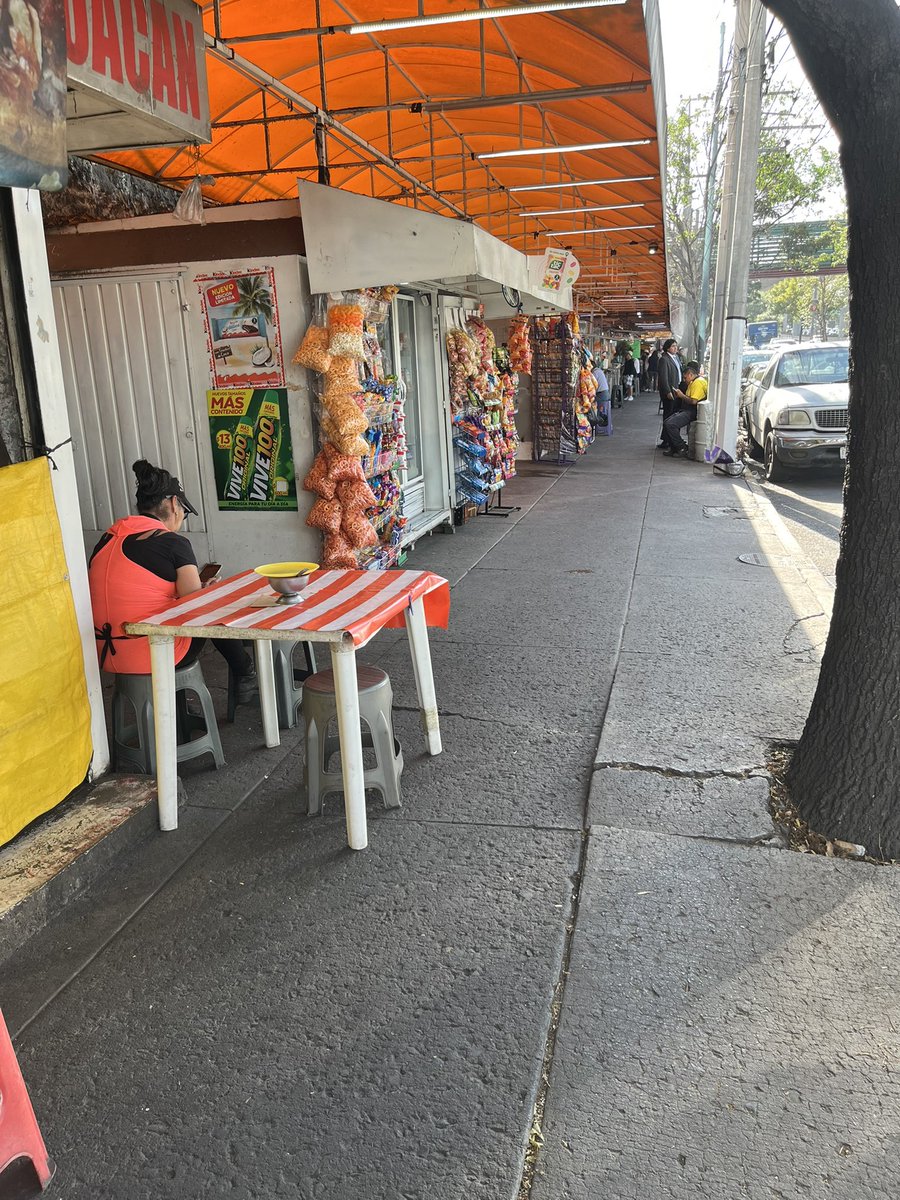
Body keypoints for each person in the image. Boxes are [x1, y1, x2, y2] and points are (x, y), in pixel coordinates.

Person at [89, 459, 258, 701]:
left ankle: (182, 710)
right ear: (173, 503)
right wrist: (206, 592)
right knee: (211, 604)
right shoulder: (173, 543)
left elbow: (137, 592)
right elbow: (195, 606)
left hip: (103, 654)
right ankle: (246, 673)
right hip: (150, 653)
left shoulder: (106, 540)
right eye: (184, 512)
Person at [663, 361, 708, 457]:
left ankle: (681, 447)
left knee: (671, 424)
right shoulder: (693, 382)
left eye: (685, 377)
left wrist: (682, 396)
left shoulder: (698, 383)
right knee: (667, 422)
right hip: (686, 409)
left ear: (690, 375)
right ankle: (674, 447)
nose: (684, 380)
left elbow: (693, 401)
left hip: (692, 411)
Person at [657, 338, 682, 447]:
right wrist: (667, 391)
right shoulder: (664, 359)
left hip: (677, 390)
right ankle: (666, 440)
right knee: (668, 416)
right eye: (673, 346)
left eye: (676, 346)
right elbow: (663, 377)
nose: (675, 348)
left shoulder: (676, 358)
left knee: (673, 415)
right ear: (667, 348)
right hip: (670, 391)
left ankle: (668, 439)